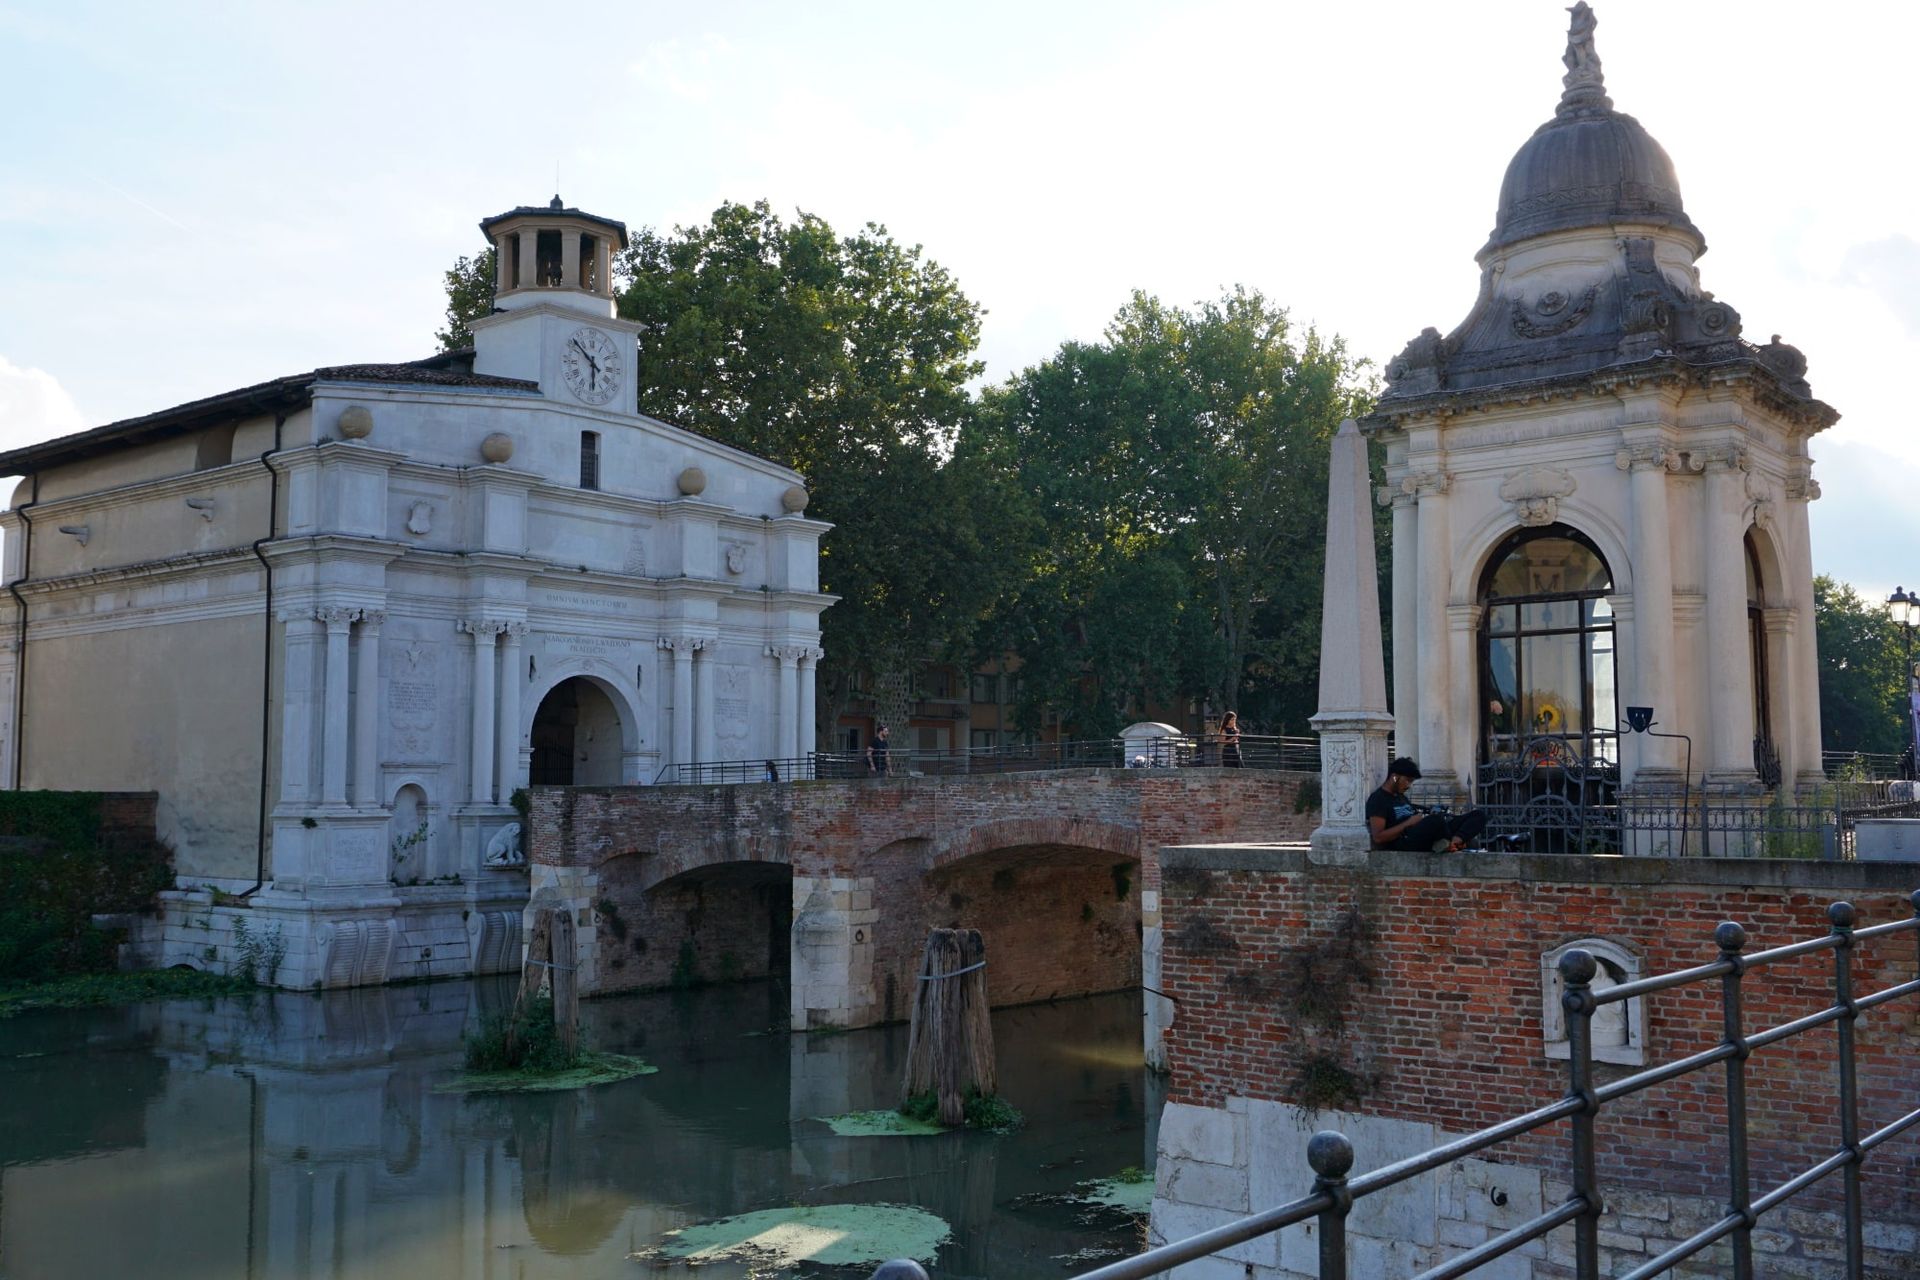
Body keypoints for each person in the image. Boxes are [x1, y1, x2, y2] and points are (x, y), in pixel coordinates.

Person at [1365, 757, 1490, 853]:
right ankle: (1449, 843)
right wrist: (1408, 823)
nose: (1409, 785)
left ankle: (1451, 842)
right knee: (1436, 820)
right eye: (1407, 780)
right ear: (1394, 778)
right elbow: (1378, 837)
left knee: (1478, 815)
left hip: (1425, 832)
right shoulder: (1378, 799)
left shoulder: (1401, 797)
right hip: (1406, 840)